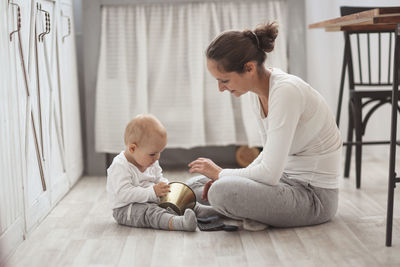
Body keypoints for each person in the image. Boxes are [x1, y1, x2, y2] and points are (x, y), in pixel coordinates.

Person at [187, 22, 342, 228]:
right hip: (282, 182)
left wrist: (220, 174)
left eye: (224, 80)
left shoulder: (286, 92)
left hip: (313, 197)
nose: (220, 88)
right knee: (191, 187)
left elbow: (269, 174)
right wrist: (225, 177)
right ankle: (221, 210)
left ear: (249, 68)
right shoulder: (257, 93)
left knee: (220, 190)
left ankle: (216, 211)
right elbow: (267, 156)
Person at [107, 114, 216, 232]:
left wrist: (167, 188)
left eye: (160, 152)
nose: (157, 157)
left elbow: (159, 178)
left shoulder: (150, 161)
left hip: (151, 198)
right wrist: (152, 192)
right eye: (153, 154)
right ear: (133, 149)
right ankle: (179, 223)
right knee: (151, 213)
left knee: (177, 197)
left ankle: (199, 209)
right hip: (127, 208)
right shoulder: (120, 166)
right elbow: (123, 194)